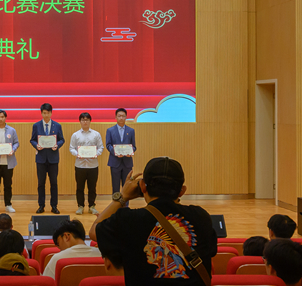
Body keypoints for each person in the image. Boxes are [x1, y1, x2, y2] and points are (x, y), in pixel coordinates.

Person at [89, 157, 217, 285]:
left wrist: (122, 197)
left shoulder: (128, 219)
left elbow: (94, 231)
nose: (147, 249)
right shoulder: (201, 217)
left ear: (143, 186)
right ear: (182, 191)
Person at [30, 103, 65, 214]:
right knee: (41, 183)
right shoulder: (36, 126)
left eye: (48, 113)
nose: (46, 115)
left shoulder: (57, 126)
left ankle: (54, 206)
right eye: (44, 113)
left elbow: (62, 139)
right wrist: (36, 145)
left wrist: (57, 145)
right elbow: (32, 140)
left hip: (53, 159)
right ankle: (41, 205)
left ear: (51, 113)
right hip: (40, 159)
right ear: (41, 113)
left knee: (54, 183)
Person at [69, 112, 104, 215]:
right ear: (80, 121)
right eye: (83, 120)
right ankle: (80, 206)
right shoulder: (75, 135)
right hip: (80, 165)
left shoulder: (96, 134)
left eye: (87, 120)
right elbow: (71, 148)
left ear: (90, 121)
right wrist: (78, 154)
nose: (85, 122)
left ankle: (92, 206)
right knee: (80, 187)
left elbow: (101, 147)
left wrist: (96, 154)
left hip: (93, 165)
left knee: (92, 188)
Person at [105, 108, 136, 195]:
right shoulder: (110, 130)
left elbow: (134, 146)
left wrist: (131, 152)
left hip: (127, 162)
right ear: (116, 117)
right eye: (119, 116)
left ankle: (126, 203)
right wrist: (115, 152)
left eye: (123, 116)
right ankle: (116, 203)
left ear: (126, 117)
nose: (121, 118)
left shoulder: (131, 131)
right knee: (115, 187)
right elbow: (108, 145)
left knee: (127, 187)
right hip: (115, 162)